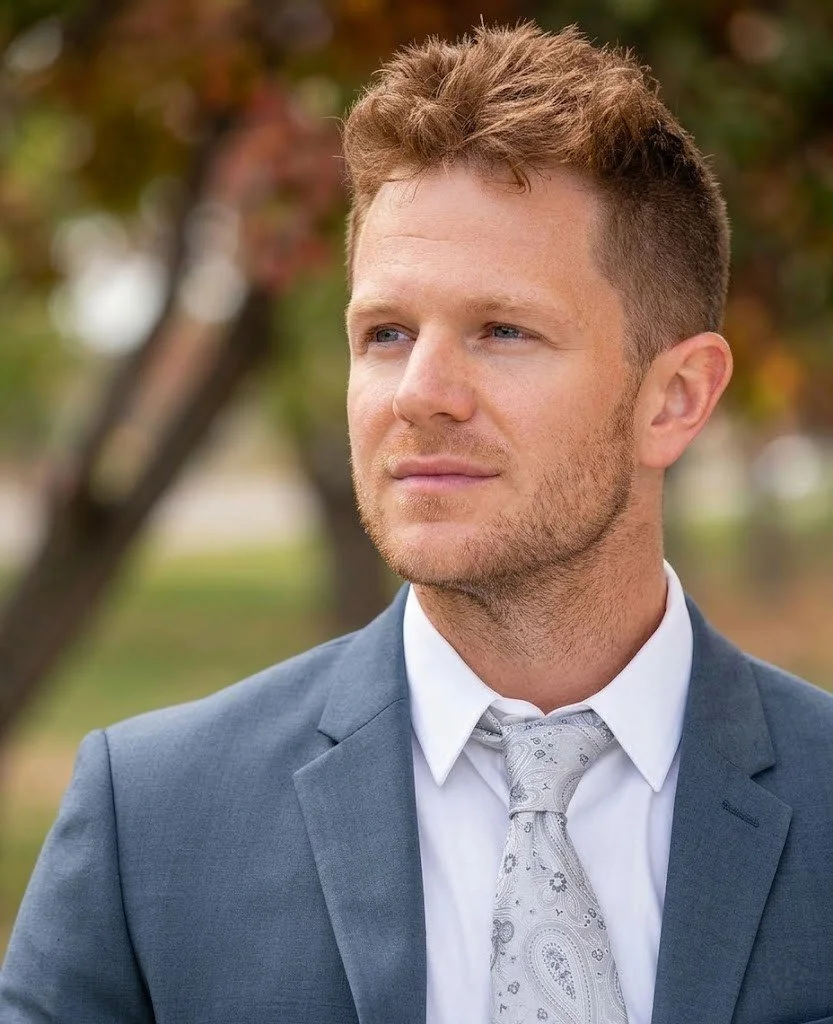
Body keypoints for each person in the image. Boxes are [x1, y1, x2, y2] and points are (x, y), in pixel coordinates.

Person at [2, 21, 832, 1024]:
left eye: (502, 330)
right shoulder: (151, 825)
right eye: (385, 333)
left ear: (673, 398)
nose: (420, 392)